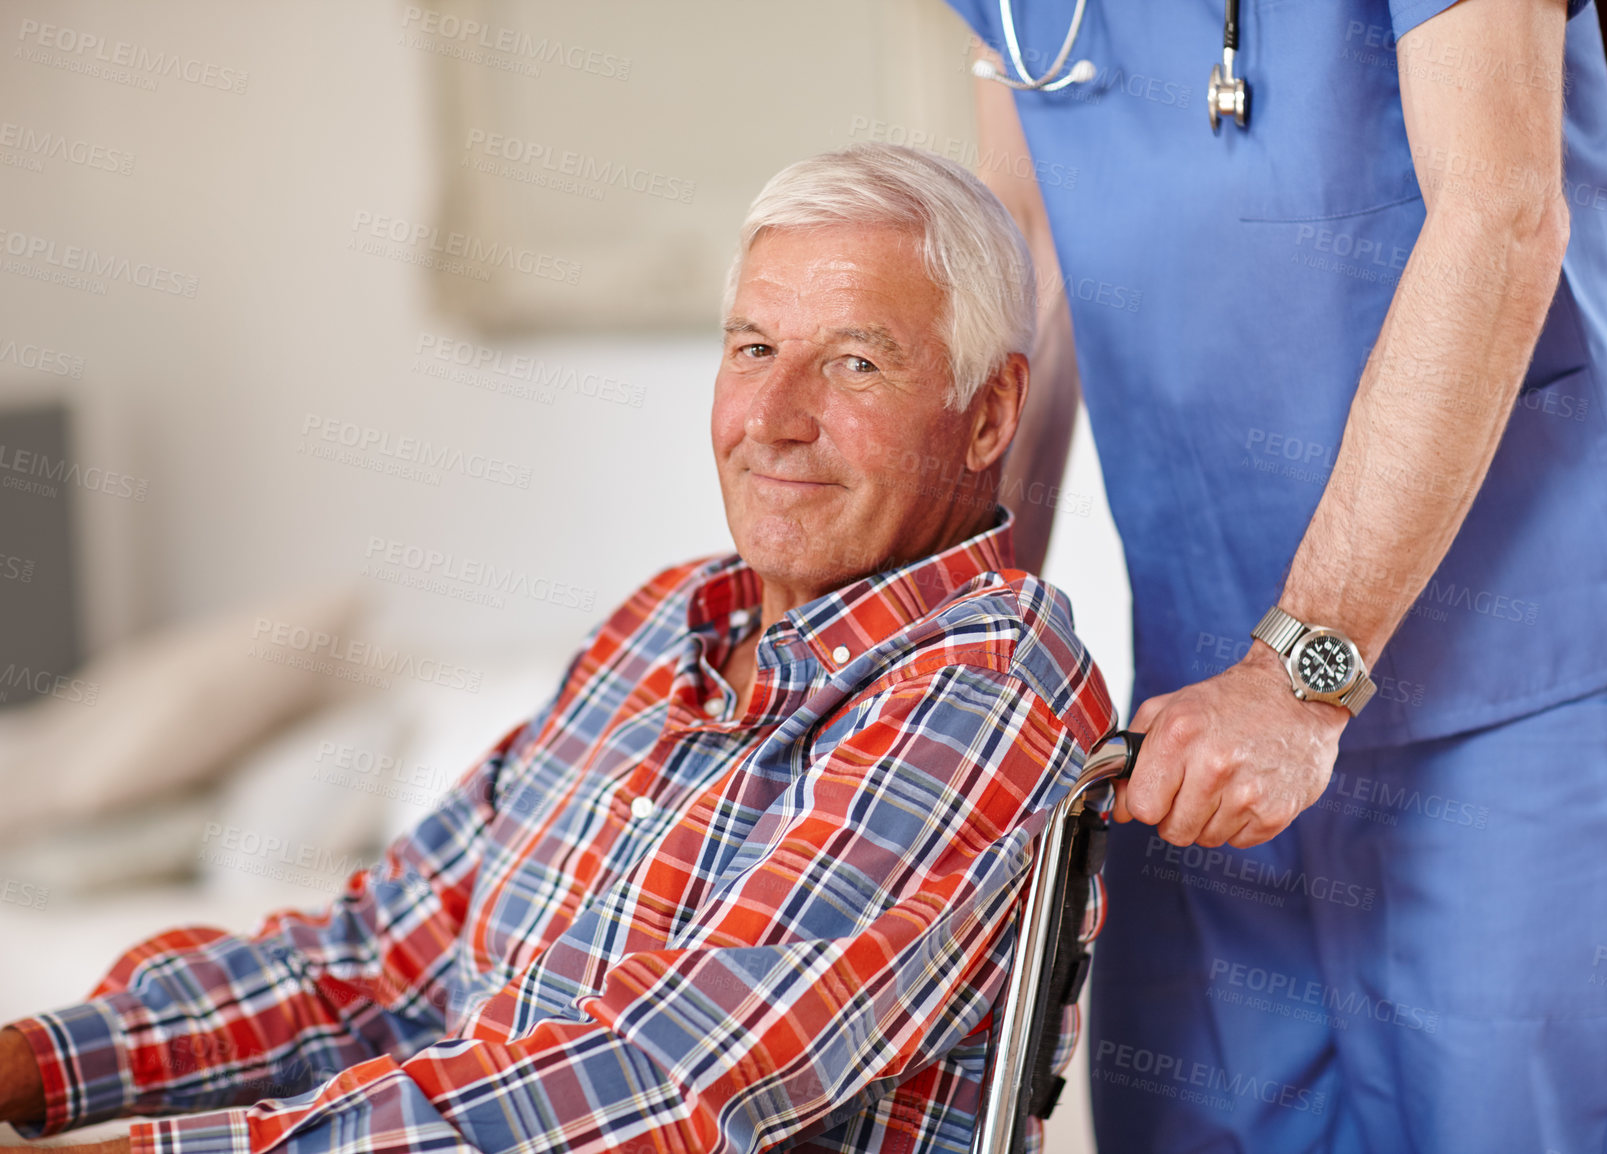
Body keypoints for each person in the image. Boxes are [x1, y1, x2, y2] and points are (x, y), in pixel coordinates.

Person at [0, 144, 1115, 1154]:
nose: (771, 414)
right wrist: (38, 1065)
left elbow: (663, 1079)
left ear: (986, 412)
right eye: (754, 347)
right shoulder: (663, 622)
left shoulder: (981, 687)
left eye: (855, 364)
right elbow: (376, 955)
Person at [940, 0, 1607, 1149]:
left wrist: (1299, 674)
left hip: (1503, 663)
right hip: (1191, 696)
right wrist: (959, 657)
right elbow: (1033, 243)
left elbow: (1499, 209)